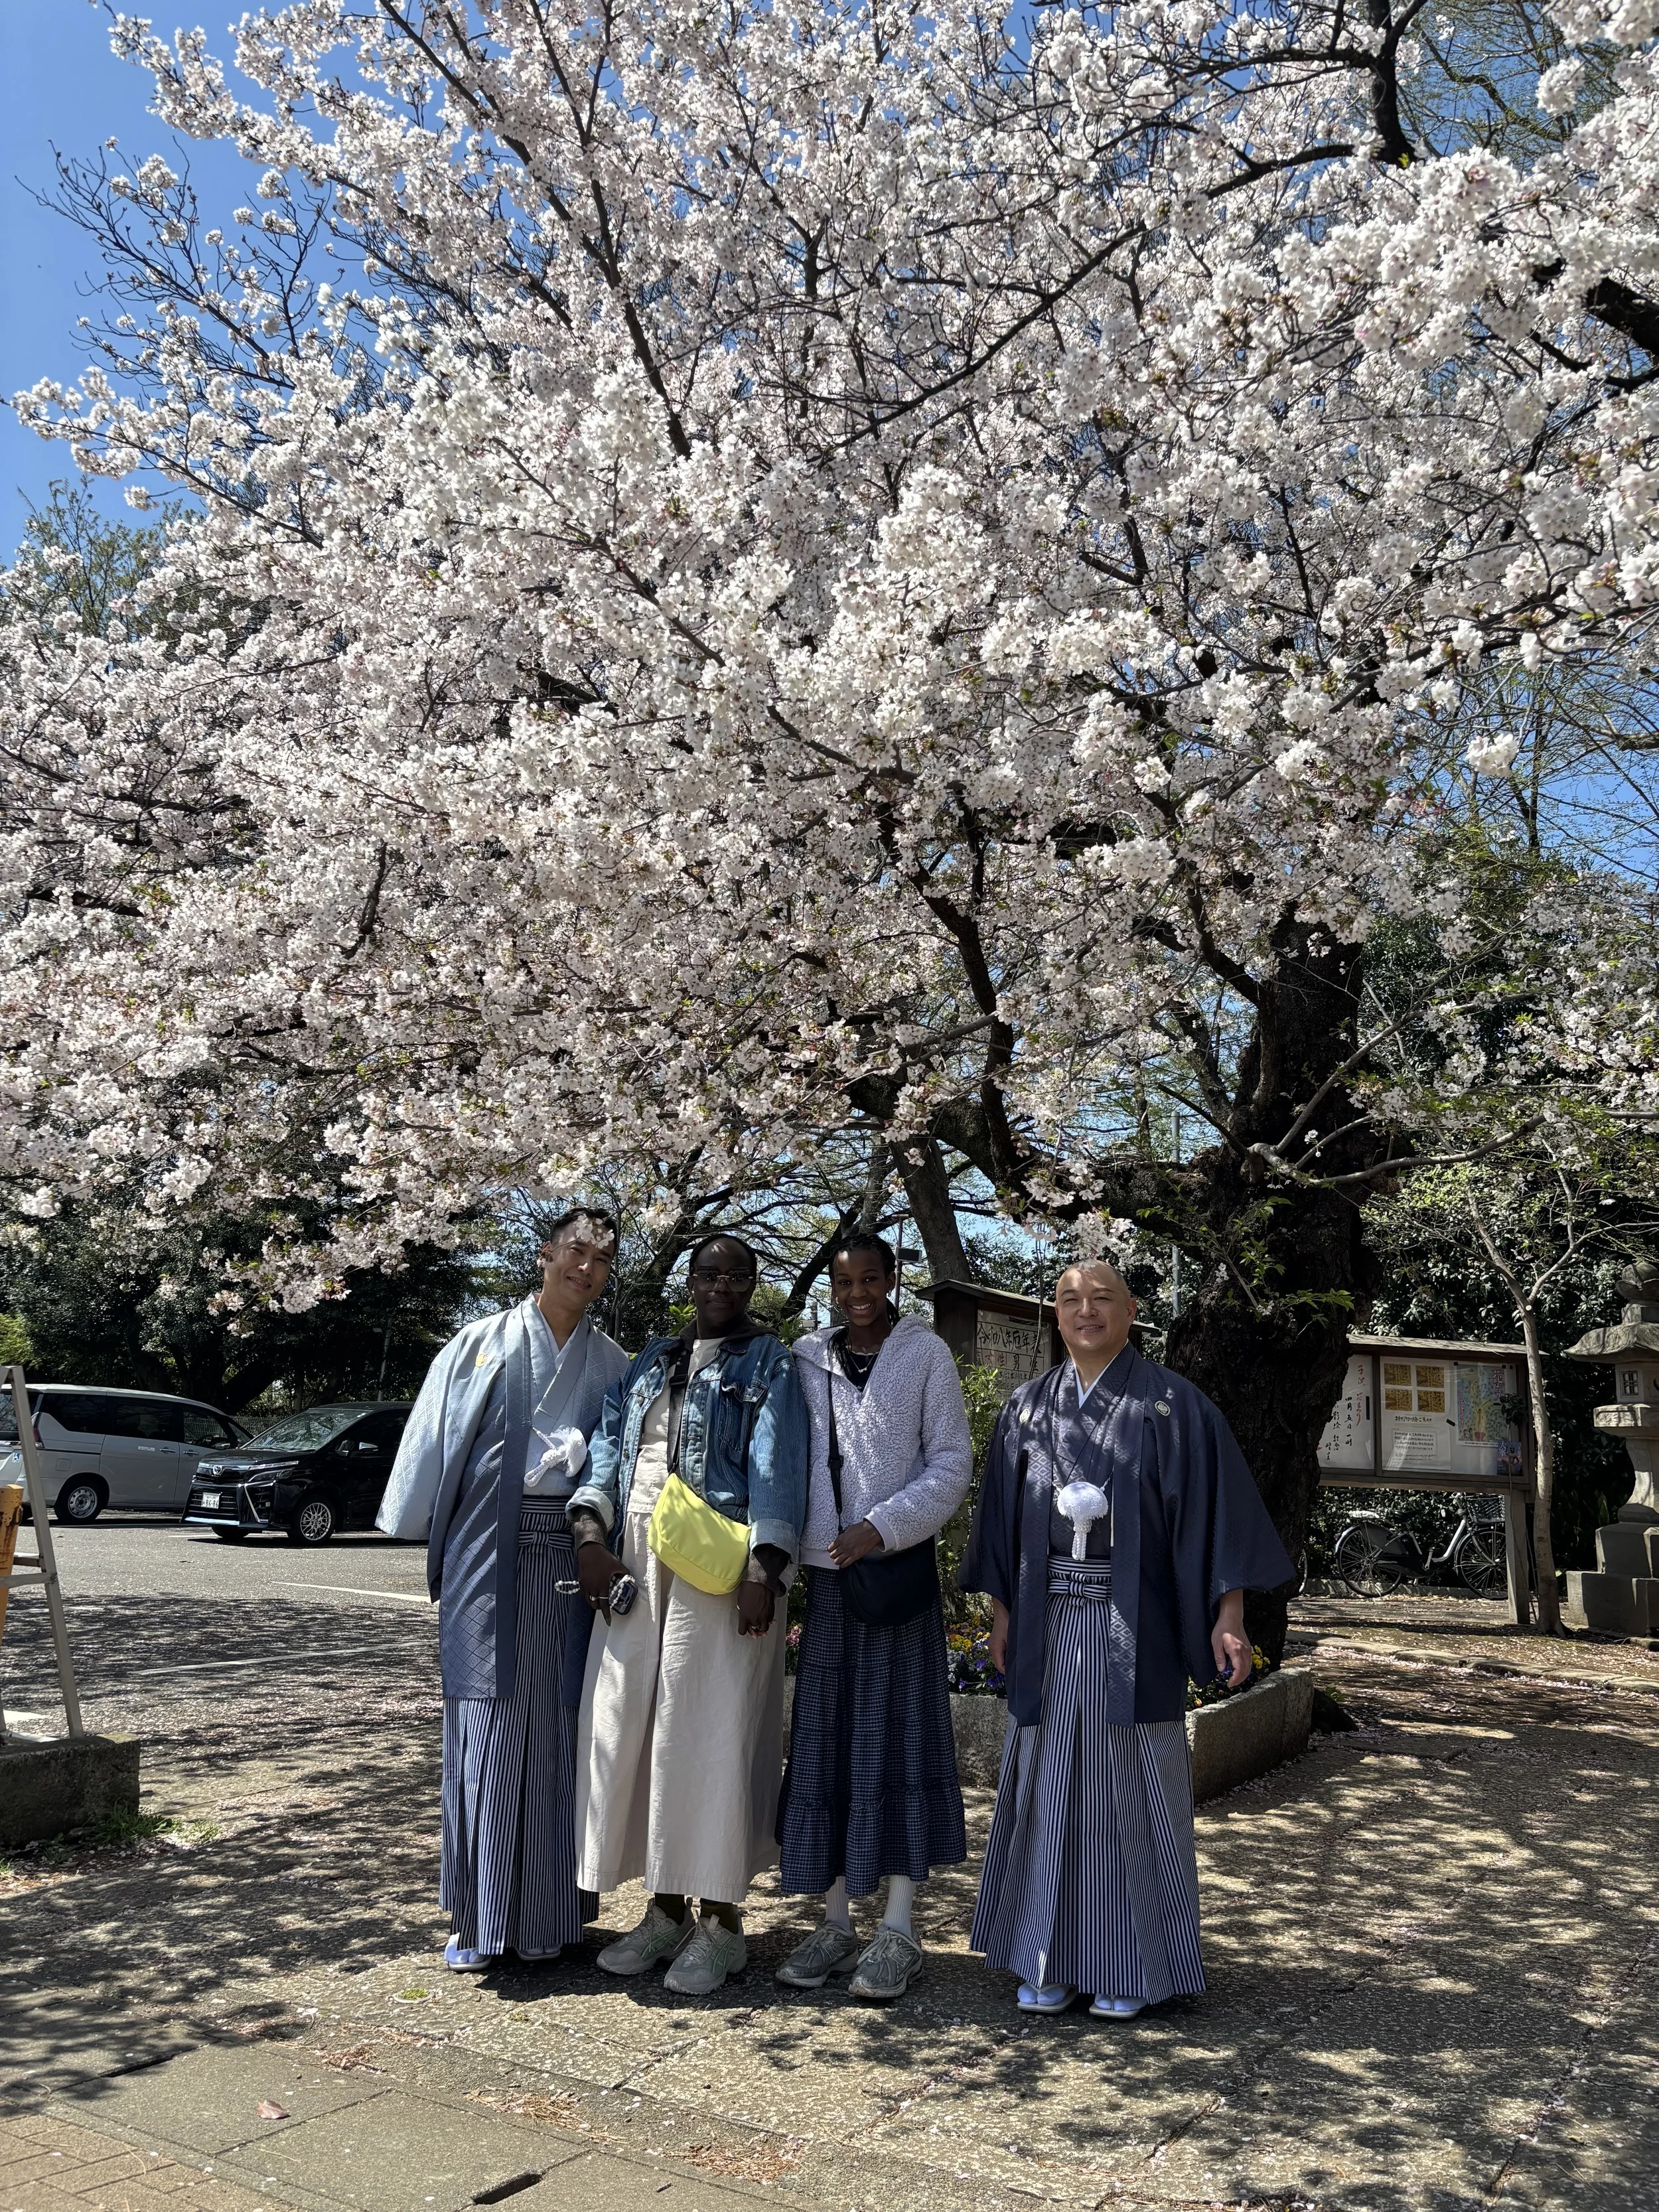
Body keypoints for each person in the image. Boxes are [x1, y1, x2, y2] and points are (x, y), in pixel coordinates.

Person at [962, 1258, 1293, 2019]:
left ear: (1132, 1309)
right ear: (1054, 1312)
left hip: (1130, 1628)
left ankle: (1129, 1965)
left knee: (1131, 1790)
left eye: (1101, 1298)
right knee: (1047, 1787)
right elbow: (1005, 1526)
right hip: (1048, 1625)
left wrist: (1229, 1615)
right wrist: (1003, 1617)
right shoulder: (1026, 1410)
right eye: (1070, 1299)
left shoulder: (1175, 1408)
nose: (1085, 1311)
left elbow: (1215, 1521)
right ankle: (1043, 1956)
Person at [377, 1209, 630, 1971]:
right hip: (487, 1549)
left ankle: (551, 1916)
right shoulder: (479, 1344)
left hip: (569, 1554)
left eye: (601, 1260)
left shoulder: (613, 1363)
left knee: (557, 1729)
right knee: (483, 1724)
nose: (585, 1269)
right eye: (575, 1252)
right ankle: (480, 1920)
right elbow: (431, 1444)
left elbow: (615, 1466)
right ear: (546, 1253)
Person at [568, 1233, 808, 1996]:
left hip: (718, 1555)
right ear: (689, 1281)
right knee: (630, 1728)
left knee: (708, 1732)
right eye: (706, 1274)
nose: (719, 1287)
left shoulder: (770, 1363)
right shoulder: (650, 1362)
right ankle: (664, 1910)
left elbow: (779, 1464)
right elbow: (609, 1448)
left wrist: (764, 1569)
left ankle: (723, 1924)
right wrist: (589, 1537)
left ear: (752, 1283)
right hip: (636, 1551)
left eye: (735, 1275)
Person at [774, 1233, 972, 2002]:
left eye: (870, 1279)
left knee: (895, 1744)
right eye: (843, 1281)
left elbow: (950, 1463)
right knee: (825, 1744)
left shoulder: (924, 1356)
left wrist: (880, 1528)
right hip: (826, 1586)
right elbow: (787, 1459)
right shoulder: (805, 1358)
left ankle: (897, 1926)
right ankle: (832, 1920)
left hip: (893, 1579)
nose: (857, 1293)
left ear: (893, 1280)